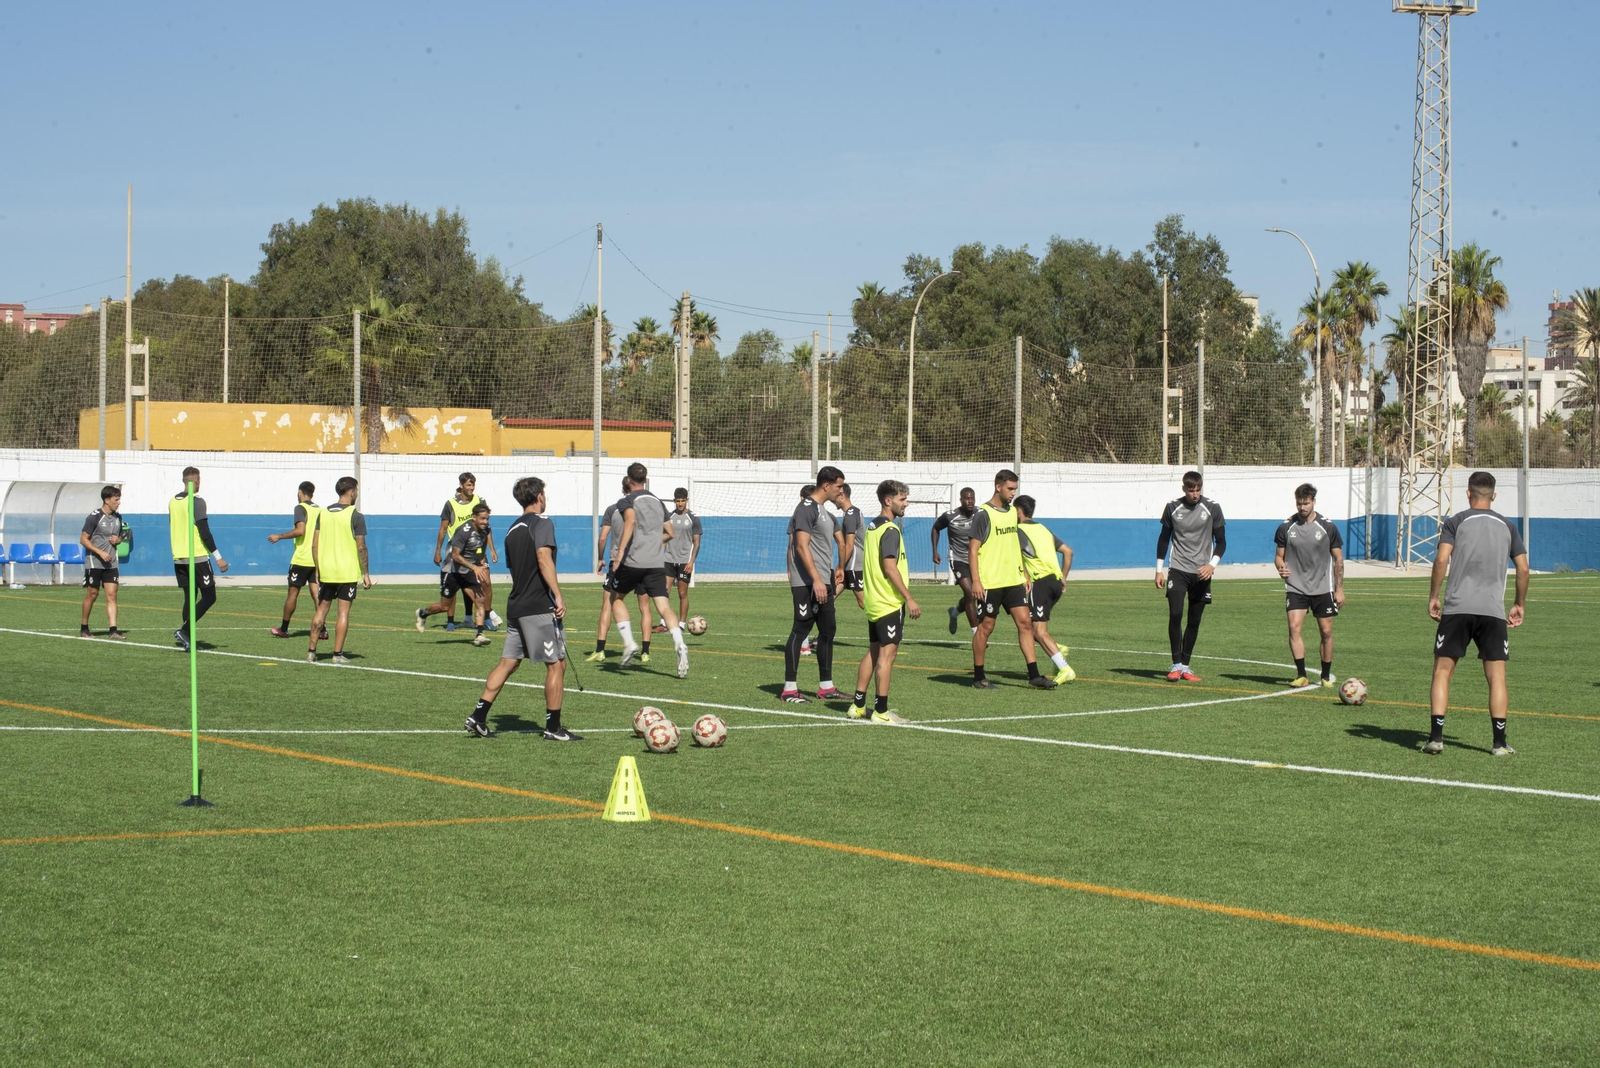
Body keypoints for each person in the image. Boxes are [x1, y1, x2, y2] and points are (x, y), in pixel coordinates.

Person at [1424, 471, 1530, 757]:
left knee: (1442, 672)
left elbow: (1442, 558)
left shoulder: (1456, 521)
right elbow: (1523, 568)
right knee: (1497, 678)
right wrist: (1519, 603)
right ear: (1493, 495)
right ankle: (1498, 743)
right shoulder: (1508, 526)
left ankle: (1436, 738)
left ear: (1468, 494)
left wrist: (1434, 596)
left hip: (1457, 608)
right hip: (1493, 612)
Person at [466, 476, 579, 741]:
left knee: (508, 662)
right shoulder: (542, 522)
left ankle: (478, 717)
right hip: (537, 606)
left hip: (516, 605)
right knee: (556, 665)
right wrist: (558, 596)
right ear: (539, 496)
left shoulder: (512, 528)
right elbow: (543, 558)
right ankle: (553, 728)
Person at [968, 469, 1053, 689]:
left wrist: (1023, 572)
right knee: (986, 627)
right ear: (998, 487)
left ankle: (1034, 675)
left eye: (1015, 488)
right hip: (990, 582)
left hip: (1013, 580)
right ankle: (979, 676)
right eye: (1010, 488)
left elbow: (1013, 545)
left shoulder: (1012, 513)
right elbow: (973, 548)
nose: (1013, 492)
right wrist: (976, 581)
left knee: (1025, 623)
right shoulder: (983, 514)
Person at [605, 462, 690, 678]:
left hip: (633, 561)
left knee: (615, 599)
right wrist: (653, 541)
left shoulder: (627, 500)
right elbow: (669, 532)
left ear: (628, 480)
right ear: (646, 479)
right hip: (655, 563)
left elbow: (631, 522)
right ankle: (680, 643)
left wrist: (621, 553)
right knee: (663, 606)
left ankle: (629, 643)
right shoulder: (658, 502)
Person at [849, 480, 918, 724]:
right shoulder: (889, 530)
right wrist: (909, 597)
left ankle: (858, 705)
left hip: (874, 601)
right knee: (887, 657)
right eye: (902, 499)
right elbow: (890, 567)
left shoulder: (872, 526)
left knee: (874, 651)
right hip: (888, 602)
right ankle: (881, 711)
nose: (906, 504)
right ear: (888, 501)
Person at [781, 467, 846, 702]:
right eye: (838, 486)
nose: (841, 491)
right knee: (801, 630)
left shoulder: (825, 513)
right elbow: (800, 546)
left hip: (823, 579)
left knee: (828, 630)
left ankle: (826, 687)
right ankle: (789, 689)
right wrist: (816, 579)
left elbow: (840, 542)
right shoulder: (806, 509)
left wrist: (839, 568)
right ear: (826, 486)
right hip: (807, 582)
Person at [1155, 470, 1226, 682]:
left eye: (1198, 490)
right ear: (1183, 489)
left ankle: (1185, 666)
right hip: (1178, 569)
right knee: (1175, 614)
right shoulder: (1172, 508)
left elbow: (1222, 541)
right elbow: (1163, 540)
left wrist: (1212, 565)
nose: (1195, 494)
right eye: (1191, 490)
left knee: (1194, 620)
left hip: (1202, 573)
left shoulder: (1212, 508)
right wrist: (1159, 570)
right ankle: (1175, 664)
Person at [1273, 483, 1344, 688]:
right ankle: (1301, 675)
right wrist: (1281, 568)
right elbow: (1279, 557)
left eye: (1306, 503)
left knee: (1326, 632)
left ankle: (1325, 675)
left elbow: (1338, 559)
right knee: (1293, 627)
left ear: (1313, 502)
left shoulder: (1327, 527)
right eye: (1299, 503)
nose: (1302, 507)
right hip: (1296, 587)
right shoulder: (1286, 527)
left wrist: (1339, 589)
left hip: (1323, 587)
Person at [420, 472, 500, 632]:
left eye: (473, 485)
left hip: (477, 550)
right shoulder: (450, 504)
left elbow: (487, 528)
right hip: (457, 551)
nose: (471, 488)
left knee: (486, 582)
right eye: (469, 485)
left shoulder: (480, 501)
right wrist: (438, 550)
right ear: (461, 485)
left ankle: (485, 617)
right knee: (458, 585)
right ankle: (452, 620)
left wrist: (491, 549)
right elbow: (443, 529)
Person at [307, 476, 372, 664]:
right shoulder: (355, 515)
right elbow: (361, 546)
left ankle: (311, 651)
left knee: (321, 610)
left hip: (327, 570)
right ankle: (337, 655)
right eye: (357, 490)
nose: (357, 493)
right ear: (351, 491)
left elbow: (315, 544)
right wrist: (365, 573)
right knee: (343, 613)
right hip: (347, 571)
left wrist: (318, 570)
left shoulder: (323, 513)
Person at [1014, 495, 1074, 684]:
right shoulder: (1043, 529)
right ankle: (1057, 649)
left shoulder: (1017, 531)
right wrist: (1063, 577)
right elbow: (1068, 551)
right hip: (1055, 582)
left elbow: (1015, 556)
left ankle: (1065, 669)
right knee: (1032, 628)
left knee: (1038, 631)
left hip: (1040, 583)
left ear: (1018, 511)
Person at [168, 465, 229, 652]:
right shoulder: (197, 501)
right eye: (199, 481)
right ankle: (185, 631)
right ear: (195, 481)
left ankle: (188, 639)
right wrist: (218, 557)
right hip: (198, 557)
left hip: (179, 556)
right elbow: (204, 532)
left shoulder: (173, 501)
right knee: (209, 596)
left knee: (189, 597)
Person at [268, 481, 327, 639]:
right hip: (316, 559)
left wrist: (279, 536)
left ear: (300, 492)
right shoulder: (320, 510)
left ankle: (284, 628)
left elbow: (300, 530)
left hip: (301, 559)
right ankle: (322, 630)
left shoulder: (300, 508)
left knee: (292, 594)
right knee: (316, 595)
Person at [588, 477, 631, 662]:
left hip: (618, 563)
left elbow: (603, 538)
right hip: (642, 563)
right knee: (645, 606)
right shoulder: (645, 510)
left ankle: (600, 650)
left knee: (608, 604)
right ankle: (645, 653)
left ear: (623, 490)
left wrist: (600, 558)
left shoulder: (612, 509)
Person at [79, 484, 126, 639]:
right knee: (92, 594)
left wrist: (118, 540)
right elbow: (83, 540)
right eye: (116, 499)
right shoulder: (94, 517)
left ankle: (113, 630)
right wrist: (100, 552)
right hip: (94, 562)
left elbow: (121, 537)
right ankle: (84, 628)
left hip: (111, 563)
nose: (118, 502)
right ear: (107, 500)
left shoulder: (118, 518)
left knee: (112, 595)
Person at [932, 487, 980, 635]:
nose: (970, 501)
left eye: (972, 498)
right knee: (971, 594)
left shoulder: (981, 514)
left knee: (972, 595)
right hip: (958, 559)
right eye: (967, 498)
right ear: (961, 500)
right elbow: (935, 528)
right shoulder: (950, 516)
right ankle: (976, 633)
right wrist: (935, 550)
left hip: (977, 560)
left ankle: (954, 612)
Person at [449, 502, 495, 647]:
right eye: (482, 519)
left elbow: (481, 546)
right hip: (456, 573)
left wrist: (482, 561)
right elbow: (455, 556)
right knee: (443, 606)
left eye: (487, 519)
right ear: (474, 517)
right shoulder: (463, 531)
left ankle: (480, 633)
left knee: (480, 599)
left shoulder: (484, 530)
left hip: (470, 571)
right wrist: (474, 567)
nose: (485, 522)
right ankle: (424, 613)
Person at [663, 487, 703, 624]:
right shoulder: (669, 517)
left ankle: (681, 624)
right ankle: (664, 622)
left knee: (682, 593)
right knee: (664, 592)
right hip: (668, 559)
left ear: (687, 500)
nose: (680, 503)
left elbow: (696, 543)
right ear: (674, 501)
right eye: (678, 501)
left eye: (682, 501)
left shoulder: (693, 518)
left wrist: (691, 562)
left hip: (684, 561)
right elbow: (664, 538)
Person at [834, 484, 865, 611]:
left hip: (854, 564)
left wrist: (840, 566)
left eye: (835, 497)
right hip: (851, 563)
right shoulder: (854, 512)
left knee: (863, 602)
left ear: (841, 495)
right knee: (830, 595)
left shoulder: (850, 516)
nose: (833, 500)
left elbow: (850, 545)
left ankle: (884, 624)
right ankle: (823, 623)